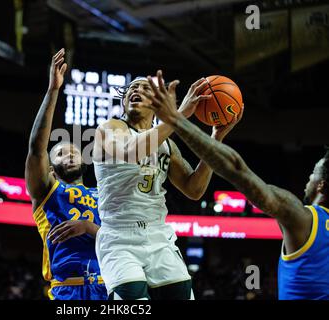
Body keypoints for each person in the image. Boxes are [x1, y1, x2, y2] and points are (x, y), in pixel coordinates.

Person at [141, 69, 329, 300]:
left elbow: (237, 170)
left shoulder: (303, 219)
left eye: (312, 174)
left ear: (321, 185)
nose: (307, 179)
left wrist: (176, 119)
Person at [92, 72, 238, 300]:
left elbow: (194, 189)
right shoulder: (111, 128)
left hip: (158, 237)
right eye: (132, 88)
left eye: (144, 88)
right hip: (120, 239)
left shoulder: (167, 145)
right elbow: (132, 151)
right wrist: (177, 117)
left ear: (156, 102)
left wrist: (215, 139)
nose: (135, 90)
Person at [25, 48, 107, 300]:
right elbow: (37, 149)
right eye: (61, 153)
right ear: (50, 168)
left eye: (74, 151)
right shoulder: (48, 190)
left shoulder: (103, 193)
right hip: (67, 290)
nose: (70, 155)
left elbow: (122, 239)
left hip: (107, 286)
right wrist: (53, 90)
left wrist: (88, 227)